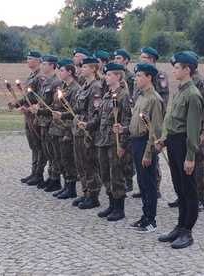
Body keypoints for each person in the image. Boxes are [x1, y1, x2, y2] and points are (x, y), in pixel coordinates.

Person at [157, 51, 203, 249]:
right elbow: (174, 122)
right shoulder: (180, 91)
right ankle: (180, 225)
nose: (173, 71)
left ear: (187, 70)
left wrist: (191, 156)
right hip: (174, 142)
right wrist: (165, 140)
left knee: (189, 190)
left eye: (177, 67)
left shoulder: (193, 94)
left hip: (185, 145)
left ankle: (187, 231)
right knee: (179, 189)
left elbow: (193, 129)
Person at [167, 51, 204, 211]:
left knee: (196, 164)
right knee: (181, 171)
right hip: (182, 132)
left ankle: (199, 198)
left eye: (178, 66)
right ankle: (183, 197)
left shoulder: (200, 82)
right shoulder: (184, 85)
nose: (174, 69)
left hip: (195, 130)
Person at [88, 62, 132, 221]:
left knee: (116, 174)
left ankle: (119, 208)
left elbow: (128, 120)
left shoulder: (124, 95)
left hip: (115, 142)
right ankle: (112, 204)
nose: (106, 77)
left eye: (109, 75)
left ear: (118, 76)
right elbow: (99, 118)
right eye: (105, 74)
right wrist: (87, 125)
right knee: (105, 173)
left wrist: (123, 144)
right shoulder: (107, 95)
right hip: (102, 140)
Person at [128, 63, 164, 233]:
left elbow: (155, 130)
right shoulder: (141, 96)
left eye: (139, 76)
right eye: (136, 76)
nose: (136, 79)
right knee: (142, 182)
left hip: (145, 143)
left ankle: (151, 220)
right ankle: (145, 216)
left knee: (149, 184)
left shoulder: (154, 99)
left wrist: (149, 153)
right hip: (136, 141)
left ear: (149, 77)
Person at [66, 57, 103, 210]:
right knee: (80, 163)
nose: (81, 69)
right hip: (78, 129)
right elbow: (76, 108)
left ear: (93, 69)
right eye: (81, 66)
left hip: (87, 131)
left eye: (85, 66)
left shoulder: (96, 87)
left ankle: (93, 195)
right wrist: (63, 114)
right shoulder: (84, 86)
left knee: (89, 163)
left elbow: (96, 113)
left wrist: (88, 126)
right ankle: (86, 191)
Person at [29, 54, 63, 191]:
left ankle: (55, 179)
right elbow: (42, 101)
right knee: (47, 151)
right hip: (42, 121)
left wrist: (40, 109)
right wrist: (37, 107)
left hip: (50, 122)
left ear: (52, 66)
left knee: (53, 153)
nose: (42, 66)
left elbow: (55, 105)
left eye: (45, 64)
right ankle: (50, 177)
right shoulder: (44, 81)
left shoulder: (56, 83)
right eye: (41, 64)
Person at [11, 51, 45, 185]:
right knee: (33, 145)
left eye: (30, 59)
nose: (28, 61)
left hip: (35, 114)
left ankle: (39, 173)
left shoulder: (40, 77)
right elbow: (27, 97)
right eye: (27, 58)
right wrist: (16, 103)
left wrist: (31, 107)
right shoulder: (32, 75)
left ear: (38, 60)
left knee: (38, 145)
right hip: (28, 114)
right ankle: (34, 172)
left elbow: (39, 98)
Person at [52, 60, 80, 199]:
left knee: (69, 158)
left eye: (62, 70)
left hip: (68, 128)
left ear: (70, 72)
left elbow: (75, 111)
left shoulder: (75, 89)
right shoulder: (62, 87)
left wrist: (62, 115)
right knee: (62, 157)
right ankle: (66, 185)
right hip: (59, 127)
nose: (60, 73)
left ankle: (71, 187)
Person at [113, 48, 136, 193]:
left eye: (119, 58)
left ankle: (128, 180)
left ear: (126, 60)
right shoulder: (116, 75)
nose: (116, 60)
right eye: (115, 58)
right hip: (118, 111)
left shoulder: (131, 77)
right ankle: (121, 179)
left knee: (127, 152)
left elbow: (132, 95)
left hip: (129, 111)